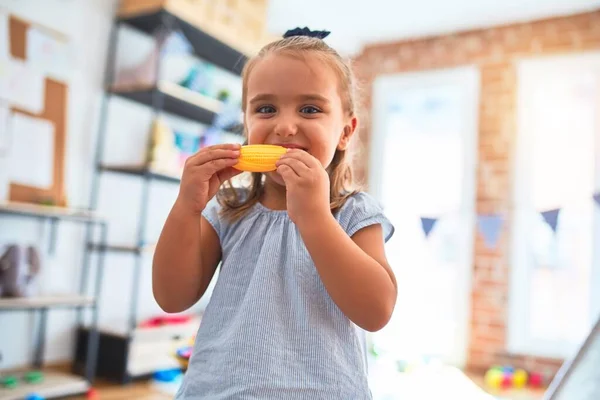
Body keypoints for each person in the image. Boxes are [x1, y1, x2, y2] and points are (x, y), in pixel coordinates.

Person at [152, 26, 397, 399]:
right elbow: (172, 296)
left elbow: (375, 310)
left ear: (345, 132)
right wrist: (187, 206)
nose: (284, 126)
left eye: (310, 109)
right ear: (247, 123)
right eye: (265, 108)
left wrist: (315, 218)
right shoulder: (227, 210)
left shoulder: (353, 212)